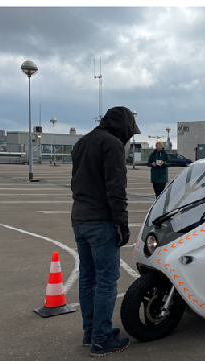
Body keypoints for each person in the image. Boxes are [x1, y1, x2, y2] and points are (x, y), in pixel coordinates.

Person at [71, 106, 140, 357]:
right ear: (121, 126)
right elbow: (116, 189)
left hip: (80, 218)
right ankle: (101, 338)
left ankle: (91, 332)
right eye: (129, 132)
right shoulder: (111, 144)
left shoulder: (82, 143)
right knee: (107, 281)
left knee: (88, 278)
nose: (129, 137)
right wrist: (122, 225)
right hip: (101, 221)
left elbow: (75, 182)